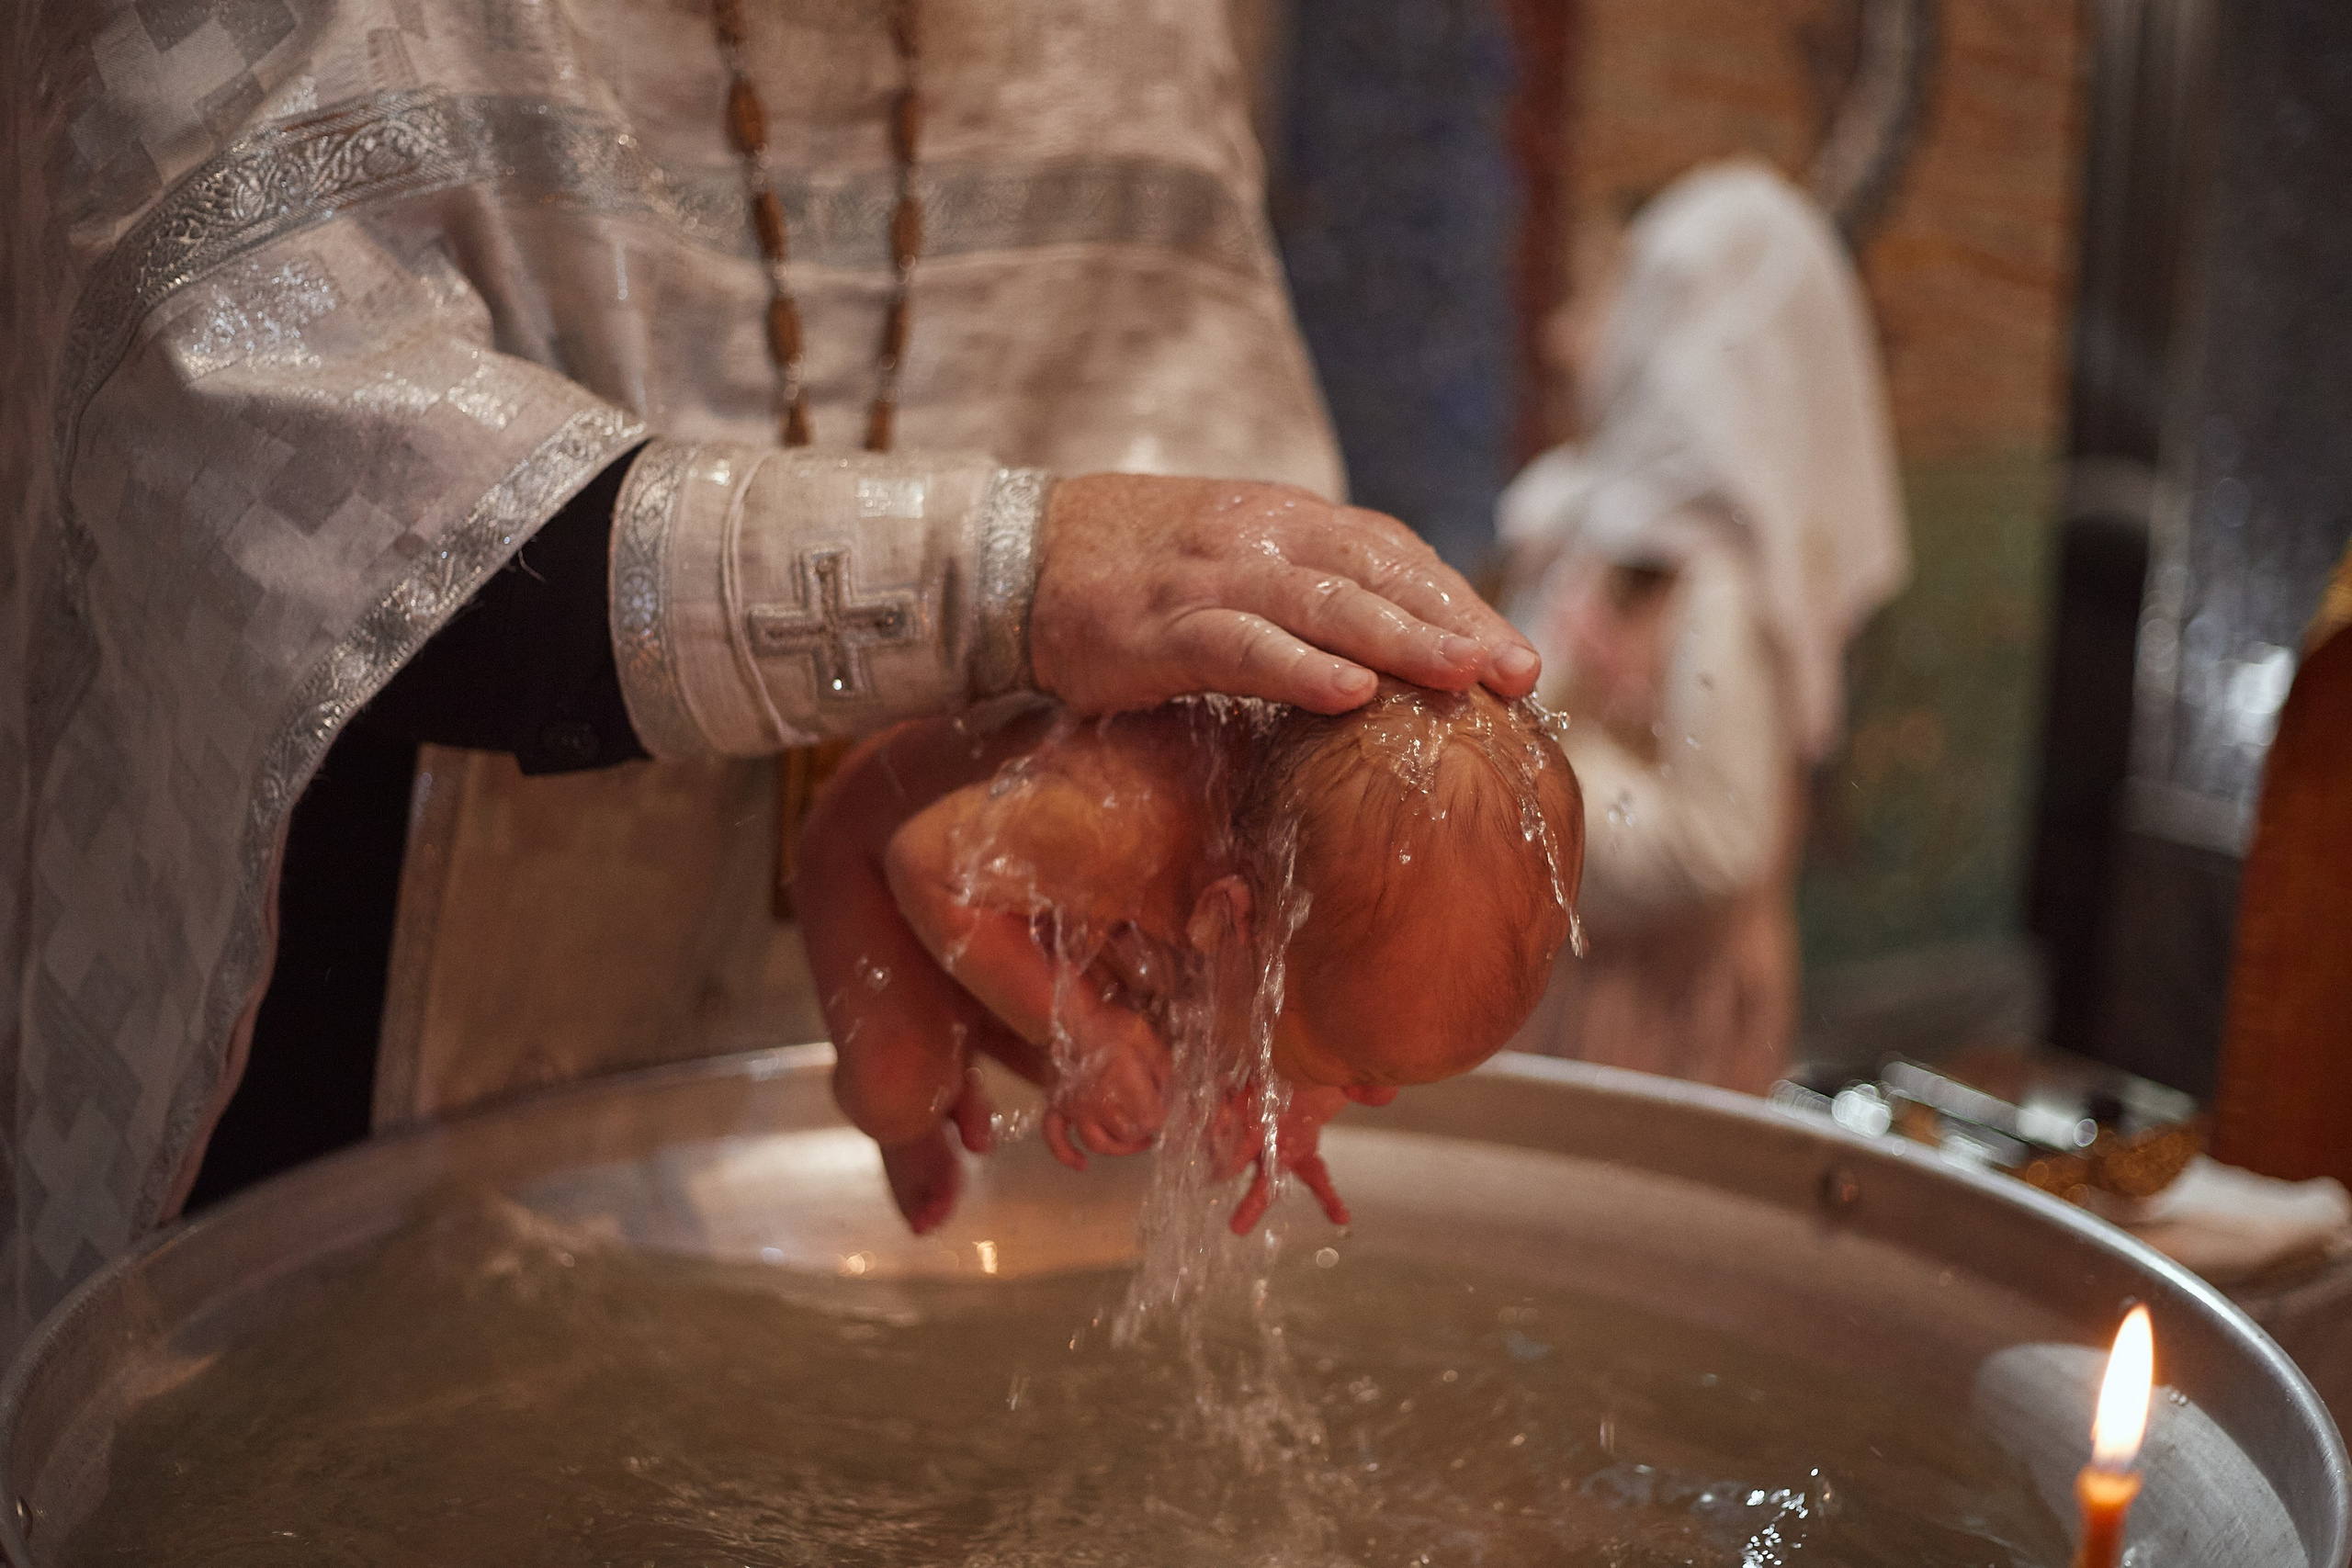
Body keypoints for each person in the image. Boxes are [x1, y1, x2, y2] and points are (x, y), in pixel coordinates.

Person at [0, 0, 1540, 1346]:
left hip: (852, 1155)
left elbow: (1216, 496)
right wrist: (1002, 574)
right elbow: (266, 473)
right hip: (354, 1068)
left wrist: (1198, 798)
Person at [797, 682, 1583, 1235]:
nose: (1370, 1100)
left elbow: (1329, 1006)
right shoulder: (1115, 823)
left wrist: (1302, 1104)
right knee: (900, 1081)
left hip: (1029, 897)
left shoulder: (1291, 867)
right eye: (1351, 1071)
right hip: (886, 854)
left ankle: (987, 1005)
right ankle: (922, 1094)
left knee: (1162, 1101)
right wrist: (1087, 1025)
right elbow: (923, 863)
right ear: (1229, 917)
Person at [1495, 159, 1908, 1092]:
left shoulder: (1719, 587)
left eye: (1617, 304)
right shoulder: (1612, 540)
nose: (1564, 344)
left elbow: (1722, 836)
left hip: (1656, 1019)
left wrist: (1521, 777)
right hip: (1588, 983)